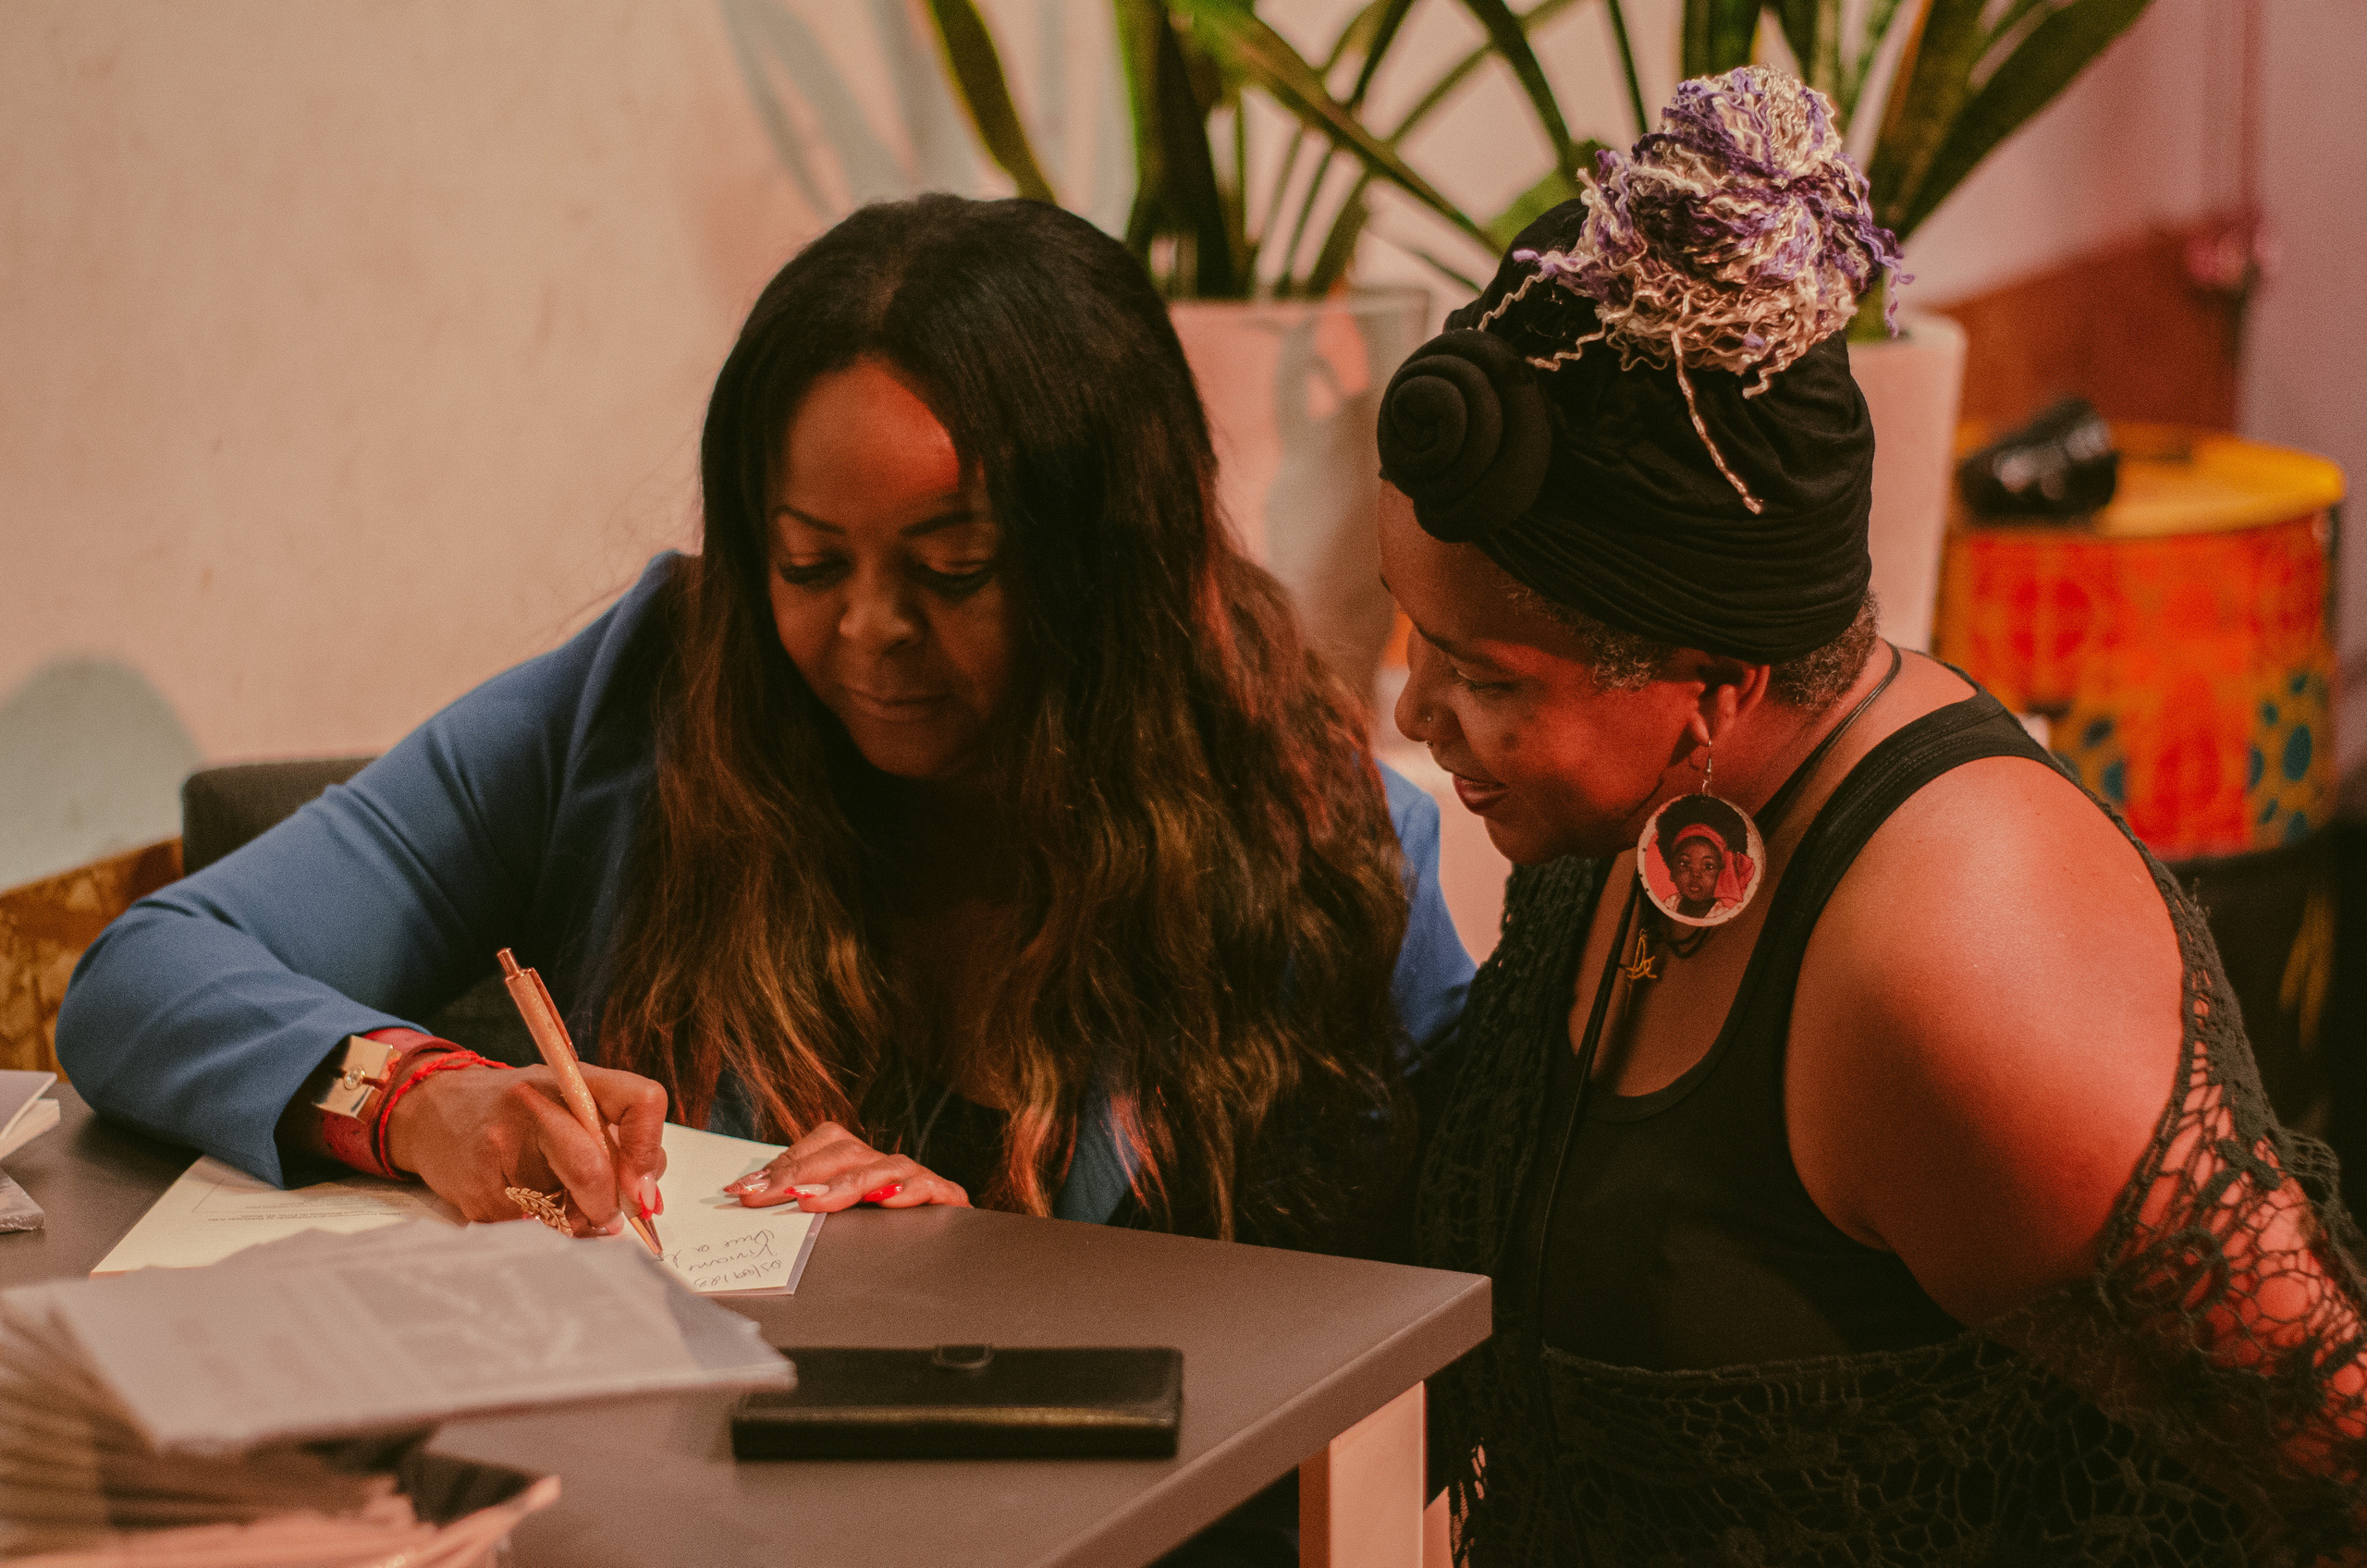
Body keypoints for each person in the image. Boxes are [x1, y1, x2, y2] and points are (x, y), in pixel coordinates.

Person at [57, 194, 1471, 1271]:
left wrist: (998, 1276)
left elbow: (1442, 1300)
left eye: (954, 571)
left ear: (1110, 560)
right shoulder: (642, 700)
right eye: (809, 563)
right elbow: (145, 975)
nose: (868, 632)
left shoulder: (1316, 832)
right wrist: (421, 1098)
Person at [1385, 67, 2366, 1565]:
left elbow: (2334, 1451)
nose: (1415, 715)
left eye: (1480, 676)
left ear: (1712, 686)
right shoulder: (1632, 825)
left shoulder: (1961, 966)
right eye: (1415, 641)